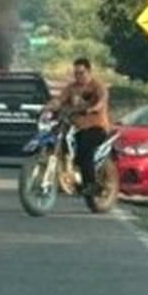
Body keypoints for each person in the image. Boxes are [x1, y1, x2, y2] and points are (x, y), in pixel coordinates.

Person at [42, 57, 110, 196]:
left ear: (89, 71)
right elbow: (59, 100)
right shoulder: (71, 88)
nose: (78, 76)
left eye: (81, 72)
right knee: (59, 138)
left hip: (96, 127)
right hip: (76, 127)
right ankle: (64, 176)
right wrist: (48, 107)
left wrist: (93, 108)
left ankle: (91, 184)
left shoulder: (97, 86)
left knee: (84, 147)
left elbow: (102, 101)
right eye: (76, 73)